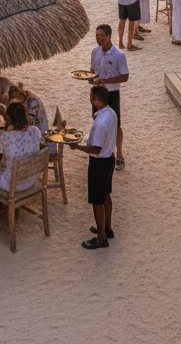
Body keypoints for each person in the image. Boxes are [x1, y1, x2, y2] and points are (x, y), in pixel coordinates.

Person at [67, 84, 118, 250]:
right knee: (106, 195)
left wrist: (77, 147)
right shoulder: (111, 113)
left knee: (97, 201)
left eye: (91, 97)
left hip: (99, 163)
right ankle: (107, 228)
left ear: (96, 100)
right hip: (110, 159)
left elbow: (96, 149)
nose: (90, 99)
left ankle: (101, 238)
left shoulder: (99, 123)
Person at [90, 24, 128, 170]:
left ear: (109, 36)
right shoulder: (95, 52)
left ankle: (119, 154)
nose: (98, 38)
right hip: (98, 92)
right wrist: (90, 78)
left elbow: (125, 77)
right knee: (97, 120)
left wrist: (105, 81)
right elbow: (92, 70)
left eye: (101, 35)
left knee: (116, 124)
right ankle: (101, 151)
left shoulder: (119, 55)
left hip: (112, 93)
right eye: (97, 36)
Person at [0, 101, 44, 194]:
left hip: (11, 185)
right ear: (26, 116)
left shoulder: (5, 136)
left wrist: (7, 132)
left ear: (8, 118)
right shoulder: (35, 131)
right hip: (31, 180)